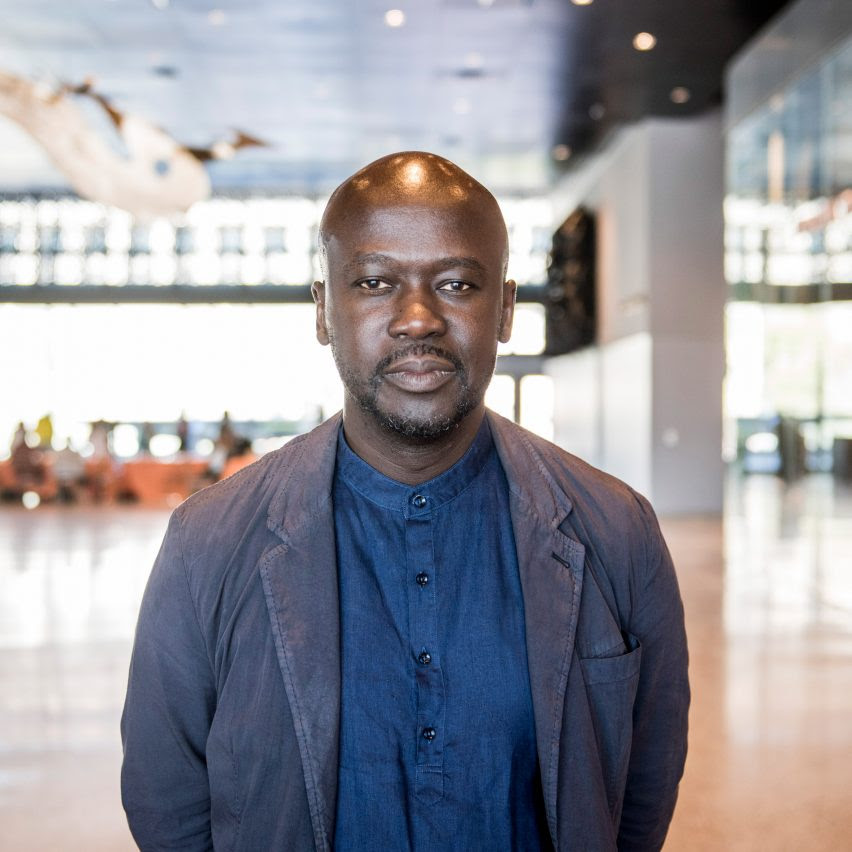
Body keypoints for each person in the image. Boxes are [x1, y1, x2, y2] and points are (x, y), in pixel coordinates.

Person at [121, 152, 689, 852]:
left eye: (455, 283)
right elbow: (166, 797)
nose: (416, 319)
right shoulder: (207, 542)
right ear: (325, 310)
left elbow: (643, 785)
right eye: (374, 282)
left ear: (504, 310)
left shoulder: (616, 531)